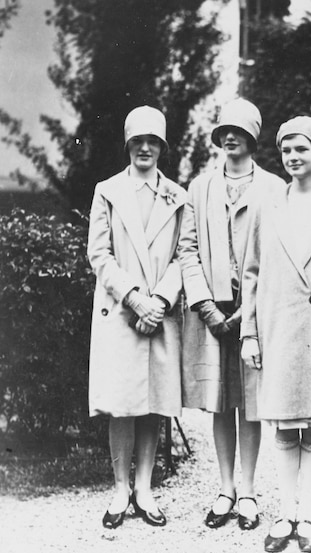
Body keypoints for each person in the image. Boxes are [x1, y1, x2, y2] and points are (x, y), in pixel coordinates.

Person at [241, 116, 311, 553]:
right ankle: (285, 513)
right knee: (285, 423)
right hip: (279, 324)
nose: (292, 158)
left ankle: (309, 515)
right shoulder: (268, 203)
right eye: (286, 151)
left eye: (301, 149)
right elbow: (250, 271)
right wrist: (249, 331)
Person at [178, 98, 285, 531]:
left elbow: (277, 254)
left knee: (251, 403)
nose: (230, 137)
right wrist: (205, 306)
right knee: (221, 402)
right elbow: (187, 250)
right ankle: (224, 488)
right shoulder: (200, 188)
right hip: (212, 313)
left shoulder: (274, 188)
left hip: (253, 314)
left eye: (239, 131)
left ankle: (248, 491)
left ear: (253, 138)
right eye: (224, 130)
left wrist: (248, 313)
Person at [88, 106, 187, 529]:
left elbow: (186, 255)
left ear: (163, 147)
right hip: (121, 312)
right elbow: (99, 253)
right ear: (128, 145)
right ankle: (119, 490)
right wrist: (134, 298)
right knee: (122, 405)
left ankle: (144, 488)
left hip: (159, 314)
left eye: (153, 141)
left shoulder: (178, 197)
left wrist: (160, 300)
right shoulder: (108, 190)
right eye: (137, 141)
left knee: (153, 404)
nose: (145, 148)